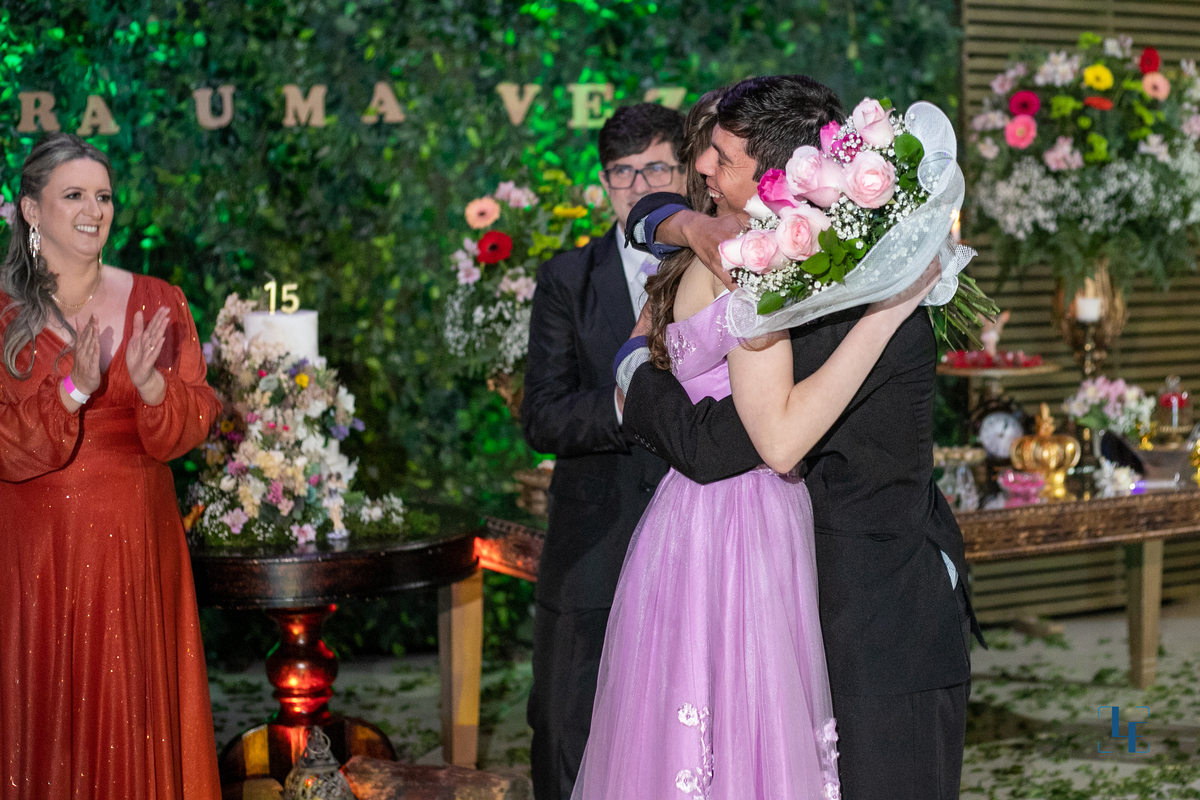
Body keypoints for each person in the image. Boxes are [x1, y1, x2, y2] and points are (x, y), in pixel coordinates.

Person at [571, 75, 944, 800]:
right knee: (749, 729)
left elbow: (650, 231)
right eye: (705, 151)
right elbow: (776, 440)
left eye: (719, 156)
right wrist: (889, 311)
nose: (701, 167)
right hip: (742, 521)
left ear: (774, 174)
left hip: (691, 518)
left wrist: (632, 355)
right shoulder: (744, 259)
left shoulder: (729, 250)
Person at [0, 133, 222, 798]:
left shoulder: (159, 300)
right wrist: (73, 389)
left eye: (103, 196)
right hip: (35, 555)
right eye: (74, 195)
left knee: (135, 716)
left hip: (135, 544)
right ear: (31, 209)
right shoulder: (4, 313)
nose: (93, 210)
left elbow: (194, 420)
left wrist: (152, 388)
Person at [521, 102, 691, 800]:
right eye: (623, 172)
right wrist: (630, 400)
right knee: (566, 727)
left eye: (656, 167)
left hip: (696, 536)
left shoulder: (719, 264)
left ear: (687, 172)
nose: (639, 185)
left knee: (683, 730)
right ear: (604, 184)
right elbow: (542, 415)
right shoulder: (568, 278)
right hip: (594, 538)